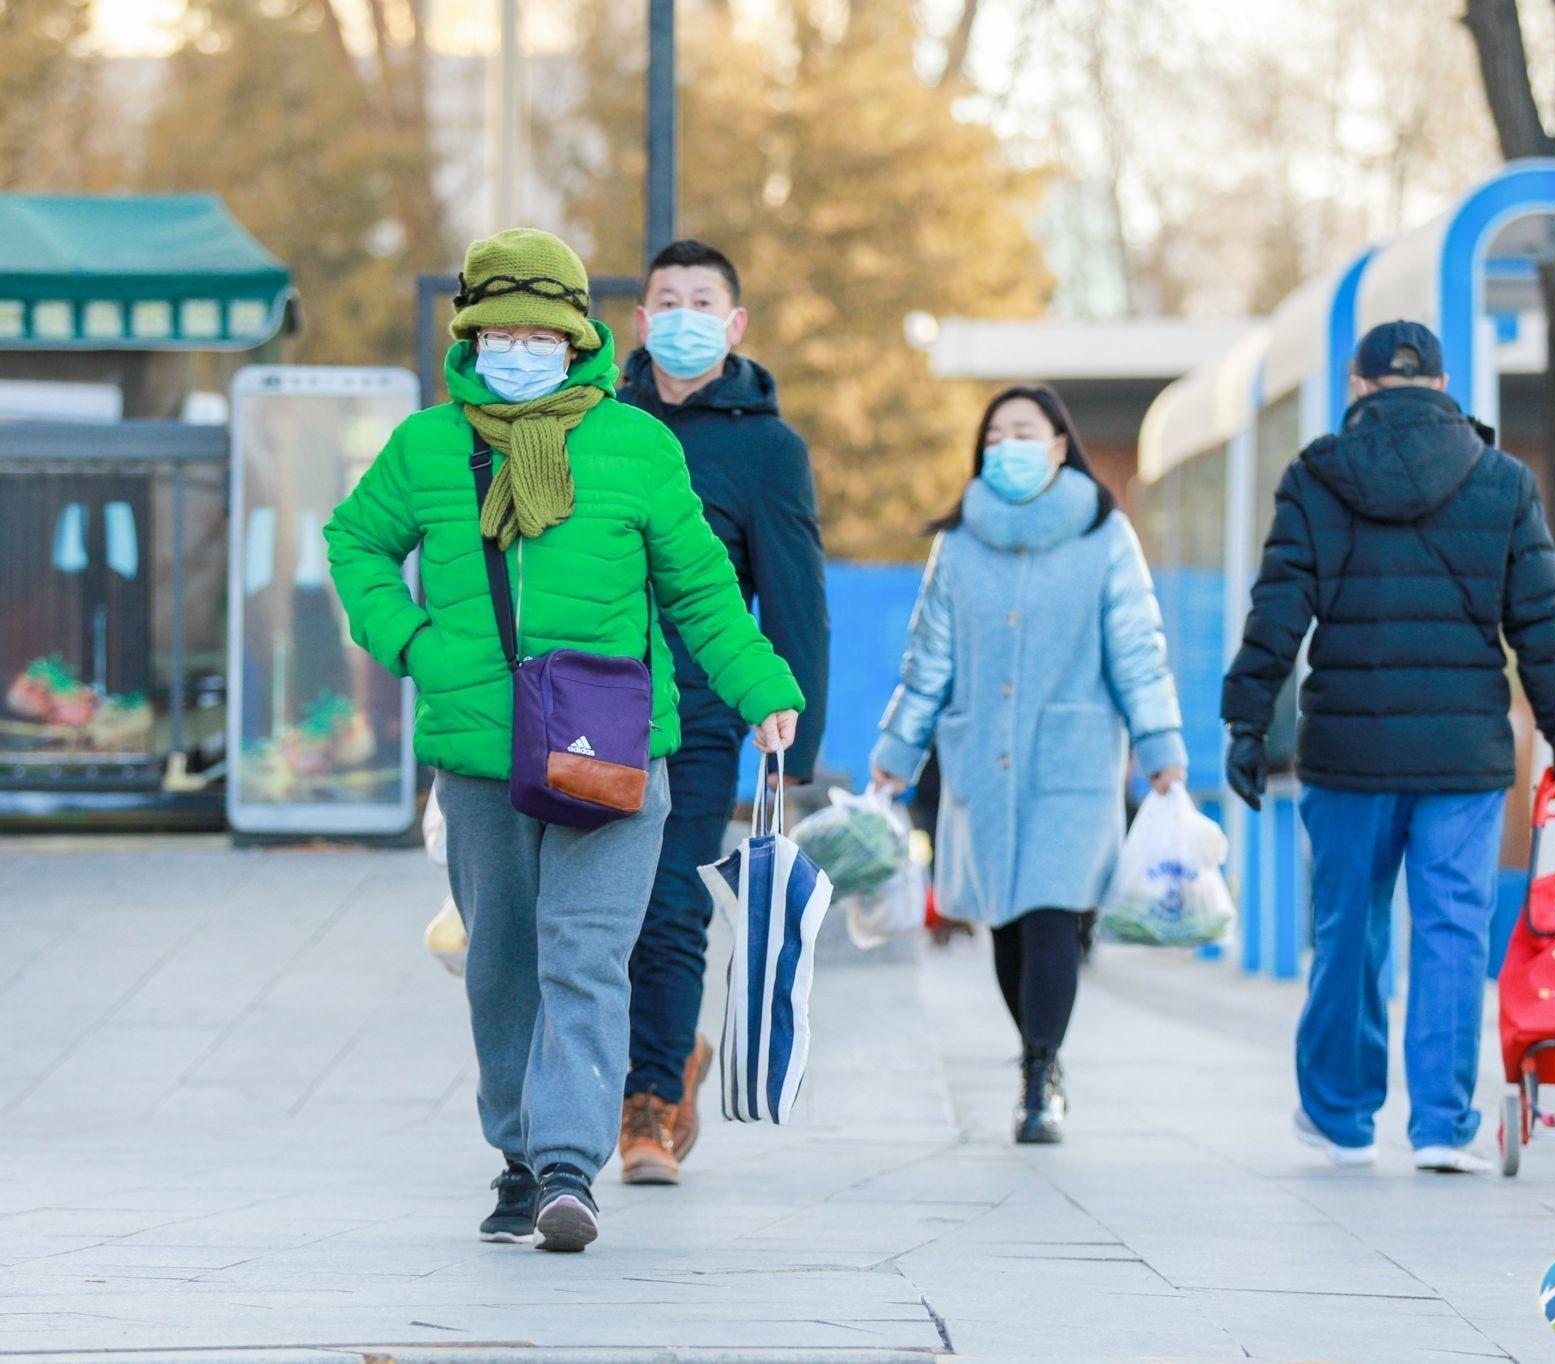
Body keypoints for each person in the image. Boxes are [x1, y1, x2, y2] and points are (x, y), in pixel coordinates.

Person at [325, 228, 804, 1252]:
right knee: (503, 961)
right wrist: (411, 641)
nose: (521, 345)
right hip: (481, 753)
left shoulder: (636, 444)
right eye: (500, 327)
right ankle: (515, 1151)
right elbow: (354, 541)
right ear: (469, 332)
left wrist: (762, 684)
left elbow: (702, 585)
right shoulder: (427, 446)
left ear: (580, 333)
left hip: (615, 745)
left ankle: (565, 1168)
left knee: (586, 952)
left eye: (542, 329)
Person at [1220, 320, 1555, 1174]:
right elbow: (1541, 619)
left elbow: (1278, 609)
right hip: (1463, 754)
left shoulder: (1317, 477)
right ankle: (1439, 1124)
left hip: (1347, 748)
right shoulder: (1502, 481)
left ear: (1358, 387)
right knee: (1454, 930)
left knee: (1348, 927)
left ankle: (1343, 1119)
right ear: (1445, 384)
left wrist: (1246, 723)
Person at [869, 384, 1186, 1145]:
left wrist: (1161, 750)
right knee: (1006, 924)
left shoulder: (1104, 535)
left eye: (1025, 432)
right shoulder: (960, 543)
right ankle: (1034, 1053)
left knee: (1051, 913)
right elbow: (929, 662)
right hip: (983, 761)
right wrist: (895, 756)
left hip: (1073, 760)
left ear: (1057, 445)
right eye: (996, 434)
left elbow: (1137, 650)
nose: (1009, 445)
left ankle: (1040, 1073)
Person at [614, 240, 830, 1185]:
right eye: (668, 297)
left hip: (699, 714)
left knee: (667, 904)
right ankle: (655, 1061)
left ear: (735, 325)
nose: (684, 312)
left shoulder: (768, 449)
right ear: (640, 319)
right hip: (586, 706)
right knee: (593, 911)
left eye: (703, 299)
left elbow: (793, 594)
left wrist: (796, 732)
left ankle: (653, 1103)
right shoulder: (600, 426)